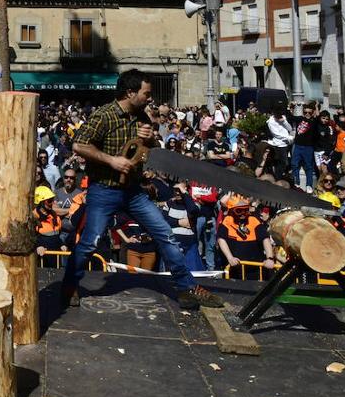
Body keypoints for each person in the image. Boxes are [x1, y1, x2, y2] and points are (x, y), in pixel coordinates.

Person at [60, 70, 223, 309]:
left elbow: (151, 150)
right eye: (146, 93)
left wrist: (149, 139)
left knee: (165, 234)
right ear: (130, 92)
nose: (149, 98)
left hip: (134, 191)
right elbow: (79, 144)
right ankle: (70, 285)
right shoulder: (104, 115)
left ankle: (187, 287)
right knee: (90, 242)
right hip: (104, 190)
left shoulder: (142, 117)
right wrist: (111, 160)